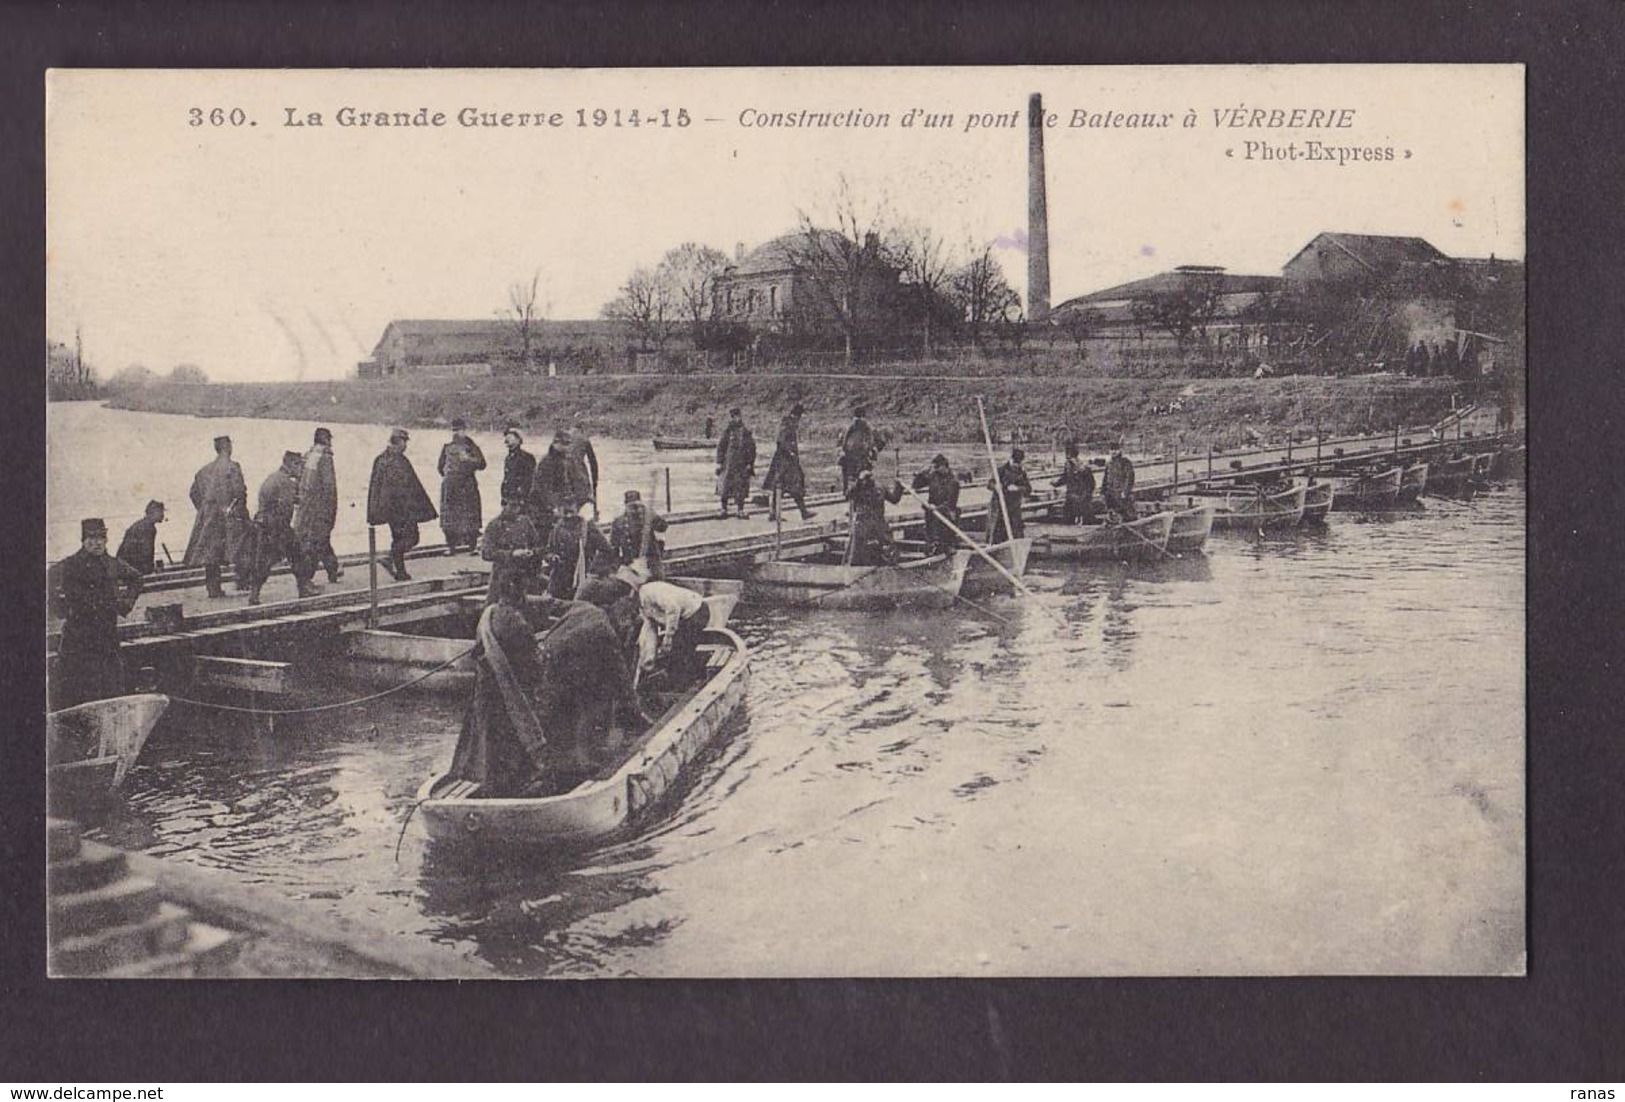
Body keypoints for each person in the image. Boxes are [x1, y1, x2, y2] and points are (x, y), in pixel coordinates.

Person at [534, 595, 648, 785]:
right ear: (623, 618)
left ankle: (553, 765)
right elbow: (621, 678)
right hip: (566, 672)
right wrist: (635, 710)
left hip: (546, 659)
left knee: (555, 716)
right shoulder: (607, 634)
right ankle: (581, 763)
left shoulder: (584, 607)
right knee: (589, 708)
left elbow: (550, 602)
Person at [50, 518, 144, 709]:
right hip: (77, 632)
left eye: (101, 538)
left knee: (110, 677)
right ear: (84, 541)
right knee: (71, 679)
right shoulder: (70, 564)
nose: (97, 543)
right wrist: (59, 609)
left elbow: (136, 579)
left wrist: (125, 604)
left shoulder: (112, 564)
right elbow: (48, 580)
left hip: (106, 630)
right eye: (92, 538)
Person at [367, 428, 438, 581]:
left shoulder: (381, 459)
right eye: (404, 442)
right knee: (412, 538)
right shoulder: (397, 461)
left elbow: (375, 487)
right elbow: (406, 487)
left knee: (399, 538)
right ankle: (390, 559)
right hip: (402, 510)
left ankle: (400, 571)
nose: (406, 446)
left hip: (389, 510)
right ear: (397, 442)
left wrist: (377, 510)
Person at [245, 450, 315, 605]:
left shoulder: (273, 477)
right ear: (291, 464)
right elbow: (284, 507)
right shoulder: (286, 482)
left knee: (263, 562)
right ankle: (304, 589)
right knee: (298, 556)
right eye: (299, 466)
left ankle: (254, 595)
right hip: (277, 526)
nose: (301, 470)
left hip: (263, 524)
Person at [183, 434, 248, 599]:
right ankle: (242, 581)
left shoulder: (204, 470)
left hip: (210, 516)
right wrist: (239, 512)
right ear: (228, 447)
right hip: (229, 515)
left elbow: (193, 493)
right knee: (242, 545)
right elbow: (239, 492)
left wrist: (204, 509)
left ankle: (213, 588)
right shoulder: (233, 467)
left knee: (211, 553)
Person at [634, 580, 711, 689]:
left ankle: (689, 683)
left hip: (696, 611)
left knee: (681, 650)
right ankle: (683, 681)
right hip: (682, 619)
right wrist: (649, 658)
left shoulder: (650, 592)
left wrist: (668, 636)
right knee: (677, 651)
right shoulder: (641, 606)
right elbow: (651, 629)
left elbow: (673, 609)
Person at [295, 427, 342, 583]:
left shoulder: (309, 455)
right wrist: (331, 510)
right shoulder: (325, 457)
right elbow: (329, 486)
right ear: (327, 440)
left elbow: (299, 479)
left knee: (319, 540)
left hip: (306, 507)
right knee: (318, 540)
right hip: (320, 508)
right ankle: (308, 577)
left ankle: (332, 569)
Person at [479, 492, 544, 601]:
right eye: (512, 506)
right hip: (502, 576)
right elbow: (486, 553)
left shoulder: (525, 522)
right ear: (503, 505)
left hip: (525, 575)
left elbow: (539, 546)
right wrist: (512, 554)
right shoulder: (495, 525)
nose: (516, 510)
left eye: (518, 506)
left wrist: (531, 552)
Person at [438, 418, 487, 554]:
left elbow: (482, 464)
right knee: (449, 517)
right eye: (454, 430)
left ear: (464, 431)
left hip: (467, 486)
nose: (456, 433)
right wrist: (450, 476)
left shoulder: (472, 447)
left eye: (459, 430)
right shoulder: (447, 447)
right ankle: (451, 546)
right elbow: (440, 467)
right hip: (450, 487)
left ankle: (472, 546)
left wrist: (469, 460)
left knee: (471, 516)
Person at [762, 402, 818, 521]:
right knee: (785, 486)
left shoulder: (788, 423)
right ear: (797, 415)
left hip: (787, 461)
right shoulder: (788, 424)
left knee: (787, 486)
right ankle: (798, 512)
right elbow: (781, 441)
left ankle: (780, 513)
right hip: (785, 462)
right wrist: (791, 453)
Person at [543, 508, 612, 600]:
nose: (569, 515)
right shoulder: (557, 528)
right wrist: (552, 557)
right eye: (566, 511)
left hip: (583, 576)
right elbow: (549, 550)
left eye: (571, 510)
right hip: (560, 579)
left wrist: (594, 569)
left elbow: (606, 550)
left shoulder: (587, 528)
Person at [846, 467, 905, 567]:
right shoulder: (858, 489)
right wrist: (858, 483)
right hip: (863, 522)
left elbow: (894, 499)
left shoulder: (880, 488)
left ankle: (891, 566)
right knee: (857, 549)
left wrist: (899, 486)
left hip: (878, 521)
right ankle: (857, 567)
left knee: (888, 545)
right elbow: (848, 495)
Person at [609, 489, 669, 579]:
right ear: (626, 506)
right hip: (631, 564)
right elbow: (614, 548)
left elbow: (663, 527)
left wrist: (653, 515)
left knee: (657, 582)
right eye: (632, 507)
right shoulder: (619, 523)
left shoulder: (648, 518)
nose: (635, 510)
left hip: (651, 562)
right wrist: (615, 568)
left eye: (637, 506)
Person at [528, 430, 578, 533]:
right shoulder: (547, 462)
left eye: (568, 444)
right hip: (540, 506)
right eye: (564, 444)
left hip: (554, 502)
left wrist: (569, 500)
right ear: (556, 443)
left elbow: (564, 484)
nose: (567, 447)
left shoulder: (561, 460)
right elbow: (544, 489)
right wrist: (553, 507)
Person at [911, 454, 961, 556]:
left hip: (945, 515)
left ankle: (948, 549)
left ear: (944, 466)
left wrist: (937, 508)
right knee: (930, 539)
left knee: (944, 541)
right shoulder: (933, 476)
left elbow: (951, 503)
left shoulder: (954, 482)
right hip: (931, 513)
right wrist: (921, 473)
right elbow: (915, 486)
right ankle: (931, 552)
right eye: (935, 467)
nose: (936, 470)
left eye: (938, 467)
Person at [715, 407, 756, 519]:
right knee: (725, 487)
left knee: (741, 487)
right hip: (728, 465)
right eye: (734, 417)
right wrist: (719, 462)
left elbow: (751, 449)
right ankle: (723, 509)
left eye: (738, 416)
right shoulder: (727, 432)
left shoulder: (746, 432)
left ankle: (740, 510)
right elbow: (721, 448)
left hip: (741, 465)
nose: (736, 419)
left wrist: (750, 463)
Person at [838, 403, 887, 493]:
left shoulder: (851, 425)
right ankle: (858, 489)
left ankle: (846, 490)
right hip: (859, 453)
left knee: (848, 472)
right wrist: (872, 449)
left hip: (851, 452)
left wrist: (843, 449)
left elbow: (843, 439)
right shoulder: (865, 424)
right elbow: (873, 438)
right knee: (861, 471)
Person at [987, 447, 1033, 544]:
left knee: (1015, 531)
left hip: (1013, 507)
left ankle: (1016, 548)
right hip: (999, 506)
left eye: (1018, 464)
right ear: (1011, 460)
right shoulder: (1001, 470)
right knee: (997, 531)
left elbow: (1028, 489)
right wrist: (996, 486)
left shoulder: (1022, 473)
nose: (1016, 466)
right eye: (1015, 463)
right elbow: (989, 484)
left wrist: (1018, 488)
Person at [116, 500, 166, 576]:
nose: (163, 515)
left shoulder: (142, 524)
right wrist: (151, 569)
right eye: (160, 512)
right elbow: (146, 553)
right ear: (152, 513)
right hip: (131, 569)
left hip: (126, 566)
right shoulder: (148, 528)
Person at [1052, 441, 1096, 525]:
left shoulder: (1084, 468)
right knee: (1067, 518)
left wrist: (1087, 494)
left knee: (1086, 517)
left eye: (1071, 457)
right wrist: (1056, 483)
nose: (1069, 459)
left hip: (1082, 496)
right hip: (1071, 495)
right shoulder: (1067, 465)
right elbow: (1065, 477)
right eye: (1068, 457)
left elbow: (1091, 484)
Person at [499, 426, 537, 517]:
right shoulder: (509, 458)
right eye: (507, 437)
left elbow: (529, 480)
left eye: (511, 437)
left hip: (519, 500)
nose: (507, 440)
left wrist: (521, 497)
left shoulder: (526, 458)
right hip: (509, 498)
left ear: (519, 440)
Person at [565, 428, 601, 519]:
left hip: (564, 474)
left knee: (568, 504)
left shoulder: (564, 437)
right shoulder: (584, 440)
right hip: (579, 476)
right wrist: (595, 482)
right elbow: (593, 463)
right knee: (579, 500)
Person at [1102, 443, 1137, 522]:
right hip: (1111, 493)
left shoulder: (1125, 462)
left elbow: (1129, 478)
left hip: (1121, 493)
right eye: (1111, 450)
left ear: (1119, 450)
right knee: (1112, 512)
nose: (1113, 452)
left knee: (1126, 512)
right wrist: (1103, 491)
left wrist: (1125, 491)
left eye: (1115, 450)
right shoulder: (1109, 463)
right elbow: (1105, 478)